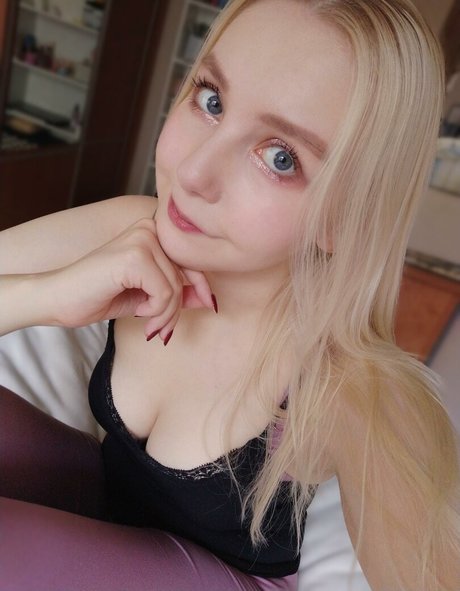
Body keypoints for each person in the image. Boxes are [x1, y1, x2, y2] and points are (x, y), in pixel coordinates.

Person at [0, 0, 459, 589]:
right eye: (211, 100)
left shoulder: (348, 384)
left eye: (280, 158)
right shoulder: (134, 229)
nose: (194, 172)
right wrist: (47, 296)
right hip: (100, 512)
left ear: (347, 220)